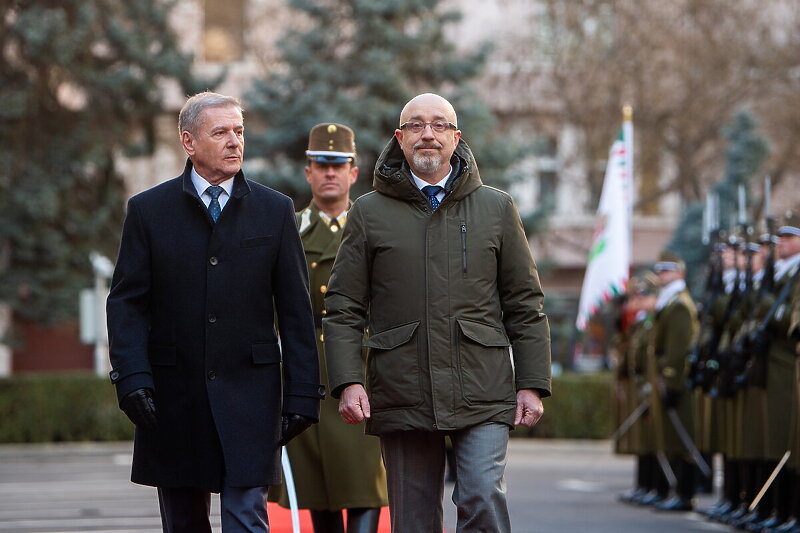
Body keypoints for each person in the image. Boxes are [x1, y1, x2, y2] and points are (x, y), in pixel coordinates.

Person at [322, 93, 552, 533]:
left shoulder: (496, 207)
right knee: (413, 518)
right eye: (416, 125)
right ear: (400, 137)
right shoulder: (369, 213)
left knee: (483, 495)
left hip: (482, 386)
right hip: (402, 387)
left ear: (456, 137)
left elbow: (524, 302)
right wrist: (348, 381)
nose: (428, 134)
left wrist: (532, 383)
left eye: (440, 125)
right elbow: (344, 306)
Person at [106, 91, 323, 533]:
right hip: (174, 397)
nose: (234, 142)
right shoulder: (148, 211)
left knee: (247, 517)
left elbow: (297, 312)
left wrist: (303, 394)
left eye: (239, 132)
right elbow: (127, 303)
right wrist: (131, 379)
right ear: (188, 142)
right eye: (220, 132)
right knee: (184, 521)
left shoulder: (274, 210)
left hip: (251, 397)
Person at [269, 123, 387, 533]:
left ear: (354, 172)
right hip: (308, 371)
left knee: (364, 483)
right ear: (308, 173)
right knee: (317, 488)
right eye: (321, 165)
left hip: (362, 366)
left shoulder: (374, 226)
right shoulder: (292, 230)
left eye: (339, 165)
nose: (330, 173)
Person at [648, 251, 699, 512]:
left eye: (667, 271)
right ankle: (677, 492)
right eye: (660, 271)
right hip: (668, 380)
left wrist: (672, 382)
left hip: (677, 382)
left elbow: (678, 350)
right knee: (671, 438)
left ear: (680, 273)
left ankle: (686, 494)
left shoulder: (679, 304)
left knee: (682, 440)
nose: (661, 275)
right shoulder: (669, 301)